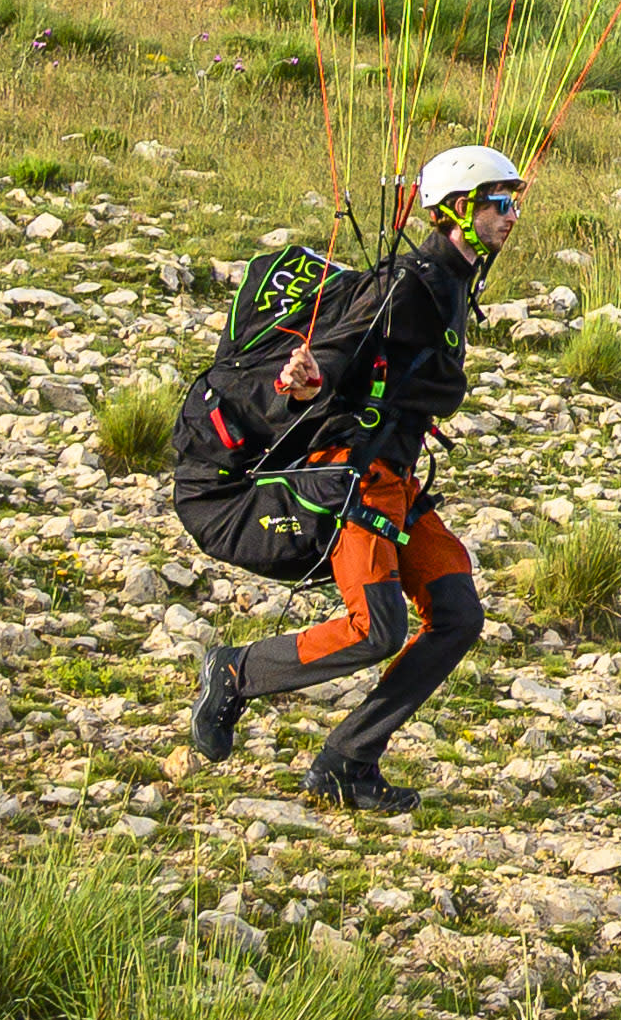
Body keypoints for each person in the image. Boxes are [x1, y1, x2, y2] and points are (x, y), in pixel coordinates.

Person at [187, 141, 521, 813]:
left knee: (456, 616)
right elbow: (340, 346)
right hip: (354, 474)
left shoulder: (457, 282)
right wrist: (309, 379)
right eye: (501, 204)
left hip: (395, 476)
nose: (512, 216)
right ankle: (234, 672)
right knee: (377, 629)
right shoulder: (409, 281)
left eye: (515, 204)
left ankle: (346, 761)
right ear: (459, 209)